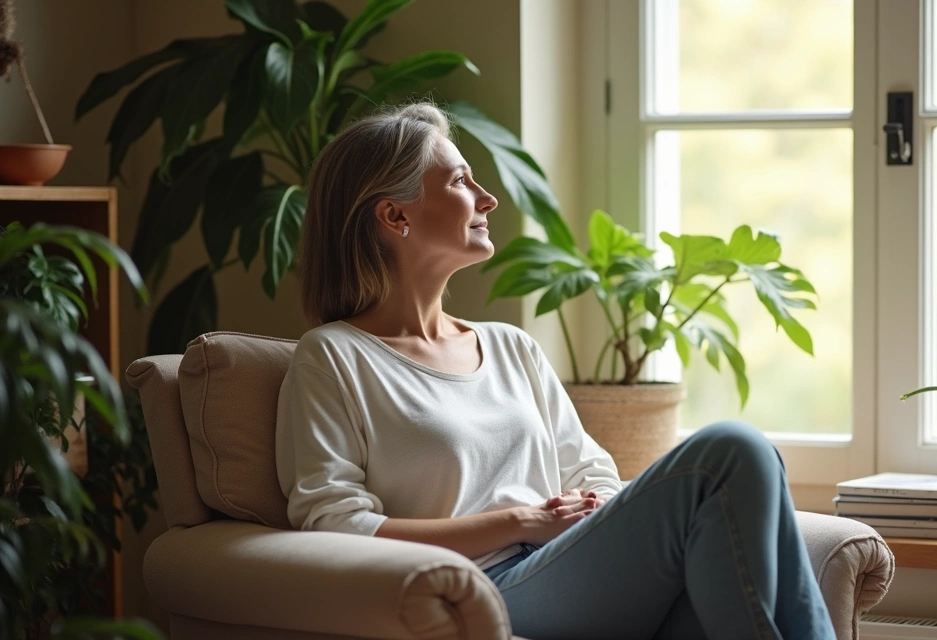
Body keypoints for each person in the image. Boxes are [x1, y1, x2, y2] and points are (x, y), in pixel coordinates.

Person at [275, 103, 834, 640]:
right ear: (395, 215)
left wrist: (592, 516)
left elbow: (591, 471)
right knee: (731, 451)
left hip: (570, 563)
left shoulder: (511, 347)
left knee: (754, 478)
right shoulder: (333, 357)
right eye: (461, 181)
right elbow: (335, 525)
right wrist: (521, 522)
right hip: (486, 587)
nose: (488, 198)